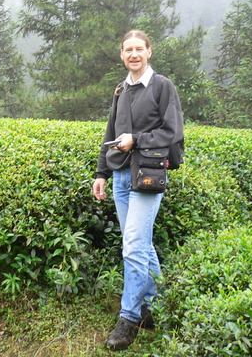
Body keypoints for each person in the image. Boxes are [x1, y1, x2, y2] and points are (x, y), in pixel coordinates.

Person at [92, 29, 184, 351]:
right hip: (119, 177)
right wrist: (101, 172)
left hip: (146, 175)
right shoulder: (120, 90)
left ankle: (128, 318)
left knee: (132, 246)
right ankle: (154, 308)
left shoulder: (162, 86)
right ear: (122, 54)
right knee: (140, 245)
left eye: (139, 49)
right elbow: (110, 131)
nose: (133, 54)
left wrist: (138, 140)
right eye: (127, 49)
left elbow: (172, 131)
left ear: (149, 52)